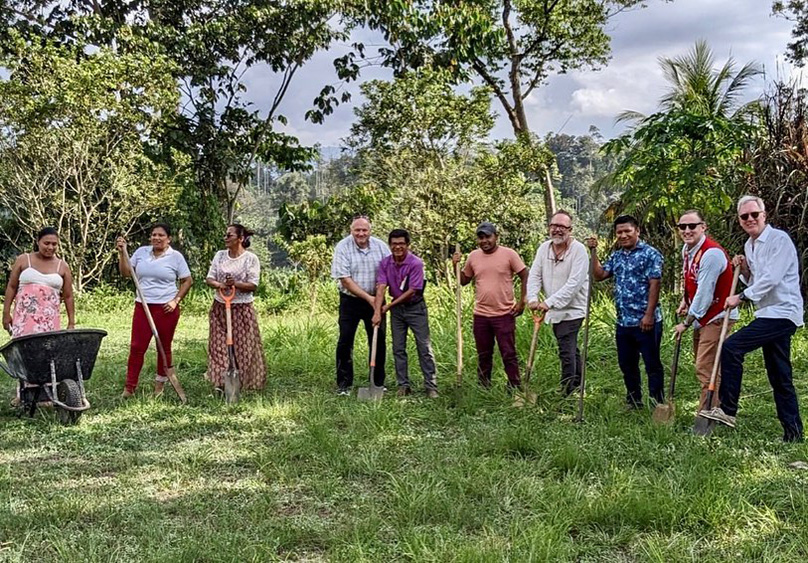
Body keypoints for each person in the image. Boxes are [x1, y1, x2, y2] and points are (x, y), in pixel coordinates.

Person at [699, 196, 804, 442]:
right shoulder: (749, 245)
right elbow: (757, 279)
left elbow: (772, 279)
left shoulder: (779, 240)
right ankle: (793, 434)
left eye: (754, 214)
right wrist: (744, 270)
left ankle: (728, 410)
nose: (750, 219)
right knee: (779, 375)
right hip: (767, 312)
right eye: (744, 216)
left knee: (732, 347)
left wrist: (741, 296)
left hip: (782, 313)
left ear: (764, 214)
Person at [586, 215, 664, 409]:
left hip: (645, 320)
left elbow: (655, 284)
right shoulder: (617, 255)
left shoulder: (650, 254)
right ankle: (633, 400)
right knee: (627, 364)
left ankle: (657, 403)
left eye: (627, 231)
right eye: (619, 232)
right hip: (623, 321)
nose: (623, 235)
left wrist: (648, 315)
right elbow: (599, 275)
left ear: (637, 231)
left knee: (651, 363)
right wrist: (593, 251)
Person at [671, 210, 737, 413]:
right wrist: (685, 300)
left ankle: (707, 414)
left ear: (703, 227)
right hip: (702, 316)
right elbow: (692, 281)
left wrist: (686, 323)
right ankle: (719, 407)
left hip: (717, 316)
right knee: (706, 365)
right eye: (683, 227)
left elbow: (705, 294)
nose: (687, 230)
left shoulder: (712, 254)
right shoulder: (687, 250)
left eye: (692, 226)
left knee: (705, 367)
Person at [117, 223, 192, 398]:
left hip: (166, 308)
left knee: (163, 347)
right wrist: (122, 253)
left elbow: (187, 280)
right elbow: (126, 273)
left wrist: (175, 301)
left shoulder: (176, 257)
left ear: (169, 239)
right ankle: (129, 387)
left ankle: (160, 385)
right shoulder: (141, 252)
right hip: (143, 306)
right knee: (137, 347)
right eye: (153, 235)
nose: (156, 238)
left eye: (161, 235)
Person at [452, 222, 527, 390]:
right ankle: (484, 386)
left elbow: (524, 274)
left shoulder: (509, 254)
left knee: (508, 353)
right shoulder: (473, 256)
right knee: (484, 354)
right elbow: (463, 281)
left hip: (504, 313)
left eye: (488, 237)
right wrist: (455, 265)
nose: (484, 240)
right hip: (481, 315)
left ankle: (515, 385)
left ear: (496, 237)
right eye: (481, 237)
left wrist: (522, 301)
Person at [526, 210, 590, 396]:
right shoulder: (544, 248)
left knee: (565, 346)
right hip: (553, 309)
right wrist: (532, 298)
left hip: (574, 308)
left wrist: (549, 302)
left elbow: (574, 284)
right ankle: (578, 384)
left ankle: (567, 389)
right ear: (549, 228)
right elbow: (535, 275)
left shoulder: (578, 250)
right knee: (569, 346)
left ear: (570, 230)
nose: (557, 230)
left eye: (562, 227)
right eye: (554, 226)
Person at [372, 229, 438, 398]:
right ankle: (403, 385)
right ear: (390, 245)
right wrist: (377, 311)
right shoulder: (385, 263)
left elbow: (412, 291)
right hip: (397, 312)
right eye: (394, 244)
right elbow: (380, 287)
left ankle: (431, 386)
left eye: (401, 243)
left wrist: (388, 306)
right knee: (398, 348)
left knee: (424, 347)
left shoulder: (416, 263)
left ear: (408, 245)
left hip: (416, 308)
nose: (398, 247)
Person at [331, 216, 391, 395]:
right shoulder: (342, 247)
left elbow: (387, 274)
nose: (361, 233)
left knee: (378, 340)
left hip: (377, 300)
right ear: (351, 231)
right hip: (350, 301)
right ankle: (344, 384)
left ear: (370, 231)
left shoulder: (381, 247)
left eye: (364, 230)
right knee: (345, 341)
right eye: (357, 230)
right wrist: (368, 297)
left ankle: (378, 382)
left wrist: (376, 300)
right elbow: (345, 280)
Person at [205, 224, 266, 393]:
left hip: (242, 308)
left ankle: (246, 383)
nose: (226, 238)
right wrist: (221, 285)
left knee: (244, 348)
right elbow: (209, 278)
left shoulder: (250, 259)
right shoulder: (220, 256)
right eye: (225, 235)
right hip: (220, 307)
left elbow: (253, 285)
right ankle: (220, 383)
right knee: (218, 346)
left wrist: (235, 284)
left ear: (240, 238)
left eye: (230, 235)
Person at [2, 227, 76, 338]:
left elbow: (68, 296)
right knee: (24, 350)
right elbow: (12, 287)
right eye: (46, 243)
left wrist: (71, 323)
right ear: (38, 242)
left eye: (54, 244)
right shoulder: (23, 260)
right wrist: (6, 313)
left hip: (49, 320)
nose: (50, 247)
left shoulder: (63, 266)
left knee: (48, 351)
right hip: (24, 318)